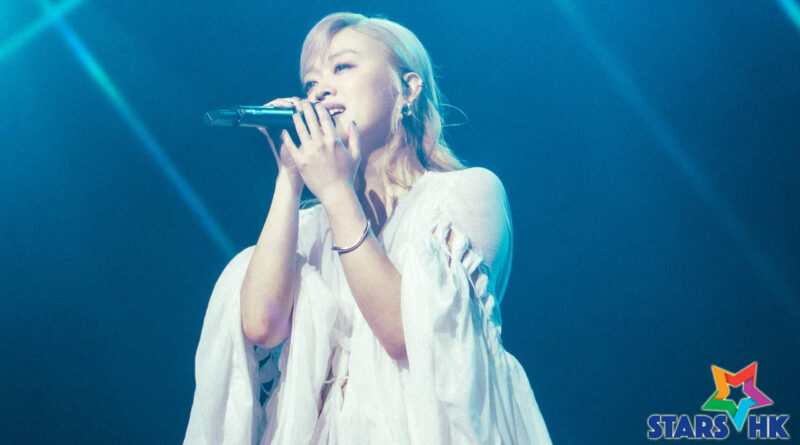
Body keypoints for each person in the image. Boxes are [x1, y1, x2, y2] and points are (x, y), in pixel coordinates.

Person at [184, 12, 551, 445]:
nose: (320, 90)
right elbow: (262, 324)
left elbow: (407, 333)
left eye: (342, 66)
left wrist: (335, 189)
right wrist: (290, 176)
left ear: (408, 89)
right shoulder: (312, 225)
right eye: (310, 83)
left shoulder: (465, 193)